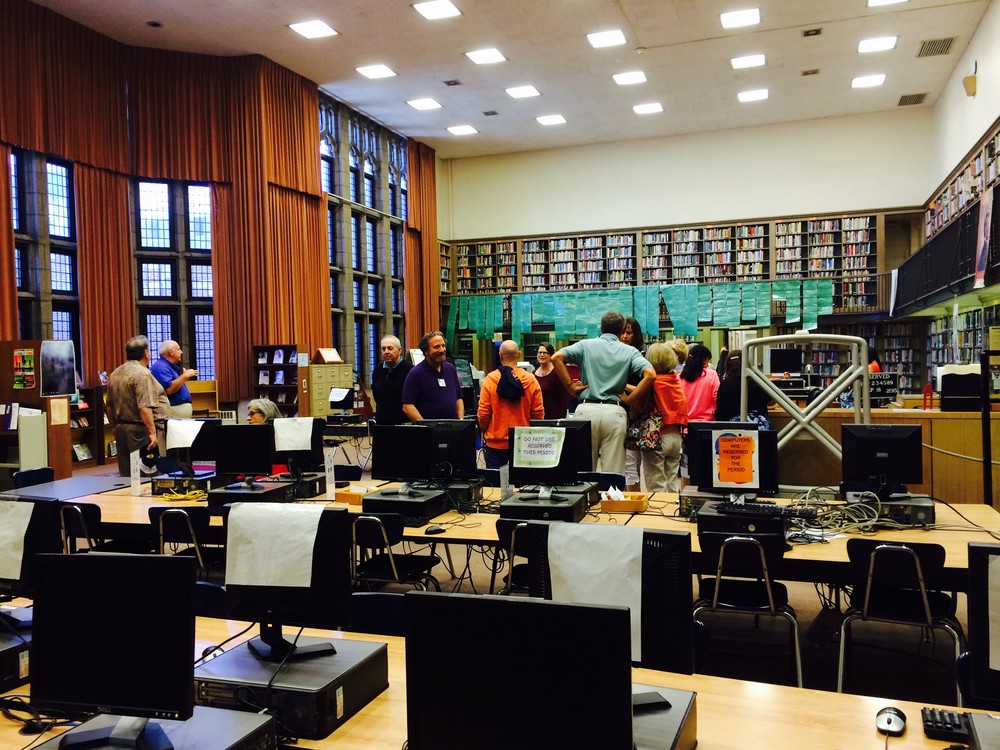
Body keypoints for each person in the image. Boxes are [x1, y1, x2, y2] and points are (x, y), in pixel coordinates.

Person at [551, 311, 655, 474]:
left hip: (586, 411)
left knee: (583, 472)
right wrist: (629, 399)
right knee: (612, 474)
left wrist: (570, 387)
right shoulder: (630, 351)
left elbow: (556, 358)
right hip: (614, 412)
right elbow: (651, 375)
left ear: (601, 327)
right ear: (621, 329)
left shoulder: (585, 345)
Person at [104, 335, 170, 477]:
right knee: (145, 473)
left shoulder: (115, 373)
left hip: (122, 429)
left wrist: (115, 426)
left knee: (128, 474)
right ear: (146, 353)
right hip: (140, 432)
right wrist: (152, 433)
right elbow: (144, 407)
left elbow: (109, 405)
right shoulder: (142, 374)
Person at [477, 340, 545, 468]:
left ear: (500, 355)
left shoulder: (490, 380)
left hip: (495, 444)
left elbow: (483, 413)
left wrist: (485, 430)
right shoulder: (531, 380)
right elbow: (538, 413)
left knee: (495, 480)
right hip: (523, 442)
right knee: (523, 480)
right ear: (519, 354)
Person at [640, 343, 688, 493]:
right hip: (676, 437)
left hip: (657, 437)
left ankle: (660, 509)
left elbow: (639, 398)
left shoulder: (653, 383)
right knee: (672, 481)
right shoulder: (675, 381)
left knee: (656, 484)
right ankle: (673, 506)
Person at [402, 330, 464, 421]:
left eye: (443, 346)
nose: (442, 350)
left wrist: (461, 421)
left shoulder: (450, 369)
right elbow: (407, 406)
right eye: (436, 347)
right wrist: (425, 426)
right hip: (429, 429)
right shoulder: (415, 374)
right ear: (426, 351)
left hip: (453, 428)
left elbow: (458, 398)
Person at [713, 349, 773, 428]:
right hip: (759, 426)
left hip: (734, 429)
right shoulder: (756, 380)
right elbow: (770, 402)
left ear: (727, 365)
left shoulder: (725, 384)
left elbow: (721, 411)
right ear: (747, 363)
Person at [620, 316, 645, 491]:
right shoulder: (616, 354)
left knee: (632, 462)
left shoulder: (640, 358)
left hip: (637, 415)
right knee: (627, 464)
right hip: (620, 412)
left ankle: (633, 499)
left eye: (629, 333)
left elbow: (645, 387)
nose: (624, 336)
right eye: (622, 332)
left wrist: (621, 386)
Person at [149, 339, 198, 419]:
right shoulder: (160, 367)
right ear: (171, 352)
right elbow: (169, 389)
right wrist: (184, 376)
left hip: (179, 411)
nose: (181, 352)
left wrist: (182, 376)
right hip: (173, 410)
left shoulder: (168, 366)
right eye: (178, 349)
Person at [371, 335, 413, 425]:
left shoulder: (410, 370)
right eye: (383, 349)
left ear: (400, 350)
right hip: (382, 421)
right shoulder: (377, 370)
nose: (386, 352)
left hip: (403, 422)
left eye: (390, 348)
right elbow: (376, 395)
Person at [680, 343, 719, 422]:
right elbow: (717, 398)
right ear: (703, 360)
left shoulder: (679, 376)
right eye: (707, 360)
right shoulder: (712, 374)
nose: (708, 364)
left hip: (684, 423)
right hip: (707, 423)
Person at [533, 342, 570, 419]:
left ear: (551, 355)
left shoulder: (557, 373)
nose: (542, 355)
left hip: (554, 418)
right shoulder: (533, 374)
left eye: (545, 353)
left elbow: (564, 398)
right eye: (540, 352)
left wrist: (561, 420)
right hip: (537, 418)